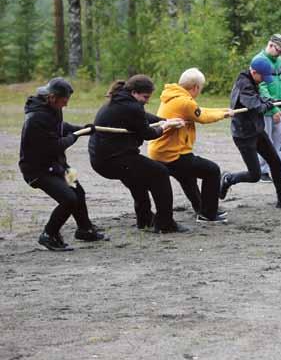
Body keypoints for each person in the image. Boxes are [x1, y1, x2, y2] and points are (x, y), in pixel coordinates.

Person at [88, 74, 188, 234]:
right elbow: (148, 133)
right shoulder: (131, 107)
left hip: (102, 158)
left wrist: (164, 120)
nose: (147, 100)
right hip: (112, 159)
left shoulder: (121, 100)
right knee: (160, 172)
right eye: (145, 97)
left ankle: (145, 219)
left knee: (138, 180)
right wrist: (166, 126)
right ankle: (165, 223)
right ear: (134, 92)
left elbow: (144, 118)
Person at [19, 77, 106, 251]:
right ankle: (48, 234)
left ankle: (85, 230)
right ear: (52, 97)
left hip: (57, 165)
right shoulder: (36, 118)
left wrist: (82, 129)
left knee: (78, 192)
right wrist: (74, 136)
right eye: (63, 101)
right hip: (38, 170)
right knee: (68, 199)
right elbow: (55, 146)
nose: (66, 105)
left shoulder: (52, 109)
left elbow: (60, 127)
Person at [148, 68, 233, 223]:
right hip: (171, 154)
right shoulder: (185, 102)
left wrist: (222, 111)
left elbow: (199, 111)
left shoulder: (174, 96)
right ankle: (208, 214)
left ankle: (201, 209)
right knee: (212, 170)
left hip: (160, 151)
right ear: (195, 87)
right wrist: (223, 115)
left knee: (187, 177)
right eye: (200, 88)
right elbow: (203, 117)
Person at [219, 57, 281, 210]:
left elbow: (260, 98)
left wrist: (275, 101)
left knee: (275, 161)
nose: (264, 80)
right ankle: (228, 178)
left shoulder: (253, 80)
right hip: (244, 135)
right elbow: (255, 105)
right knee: (254, 175)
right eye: (262, 77)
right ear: (254, 72)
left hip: (256, 130)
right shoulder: (243, 84)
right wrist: (267, 104)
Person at [255, 34, 281, 183]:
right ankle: (263, 171)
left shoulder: (280, 62)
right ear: (270, 45)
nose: (280, 54)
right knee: (266, 140)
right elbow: (261, 87)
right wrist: (273, 109)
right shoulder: (259, 61)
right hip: (266, 110)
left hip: (279, 108)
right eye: (279, 50)